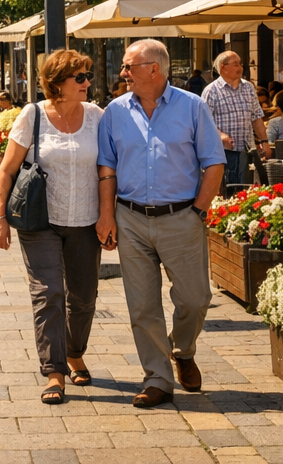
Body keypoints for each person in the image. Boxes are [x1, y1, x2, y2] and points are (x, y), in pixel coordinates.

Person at [97, 39, 225, 409]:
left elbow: (214, 162)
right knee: (142, 307)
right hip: (131, 218)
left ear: (154, 69)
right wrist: (107, 215)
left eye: (128, 66)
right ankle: (157, 377)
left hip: (181, 217)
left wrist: (198, 211)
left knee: (195, 298)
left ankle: (183, 351)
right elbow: (106, 167)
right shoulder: (115, 111)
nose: (123, 73)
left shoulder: (192, 107)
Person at [0, 49, 103, 404]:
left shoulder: (98, 116)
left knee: (83, 298)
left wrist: (110, 215)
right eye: (80, 77)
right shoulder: (32, 115)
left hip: (86, 221)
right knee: (48, 292)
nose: (87, 83)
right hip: (41, 221)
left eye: (88, 76)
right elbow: (7, 169)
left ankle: (74, 351)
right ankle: (54, 372)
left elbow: (107, 169)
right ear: (57, 84)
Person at [201, 51, 269, 188]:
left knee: (246, 189)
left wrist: (265, 141)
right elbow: (204, 122)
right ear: (223, 67)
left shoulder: (248, 87)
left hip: (246, 150)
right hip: (223, 152)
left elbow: (256, 117)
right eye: (235, 64)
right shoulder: (211, 91)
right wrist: (221, 136)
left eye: (241, 64)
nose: (240, 68)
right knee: (227, 190)